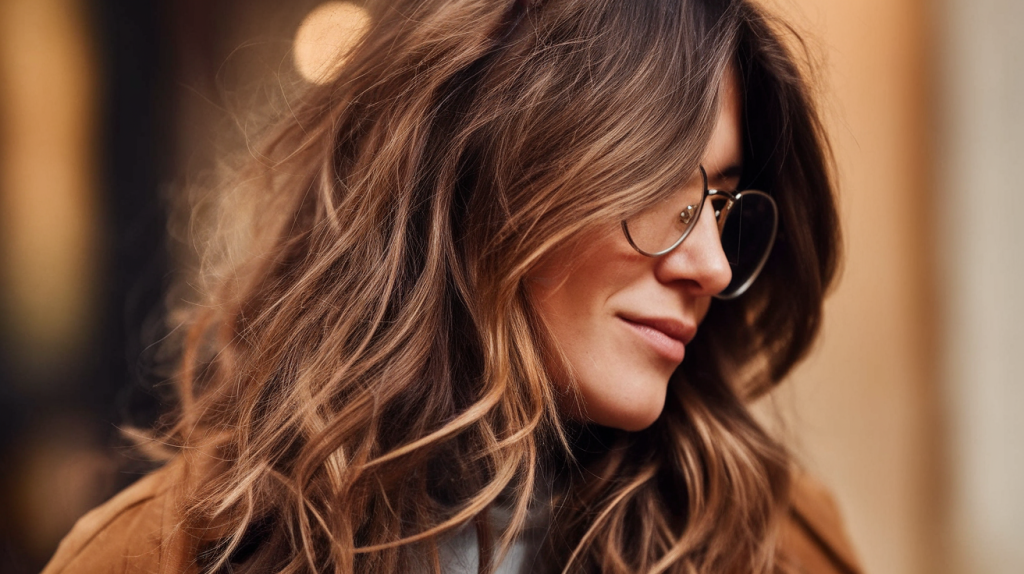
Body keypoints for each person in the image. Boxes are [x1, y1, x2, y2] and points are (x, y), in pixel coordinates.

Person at [44, 0, 862, 572]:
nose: (713, 267)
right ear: (486, 176)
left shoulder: (779, 547)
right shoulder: (154, 557)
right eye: (660, 192)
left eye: (719, 205)